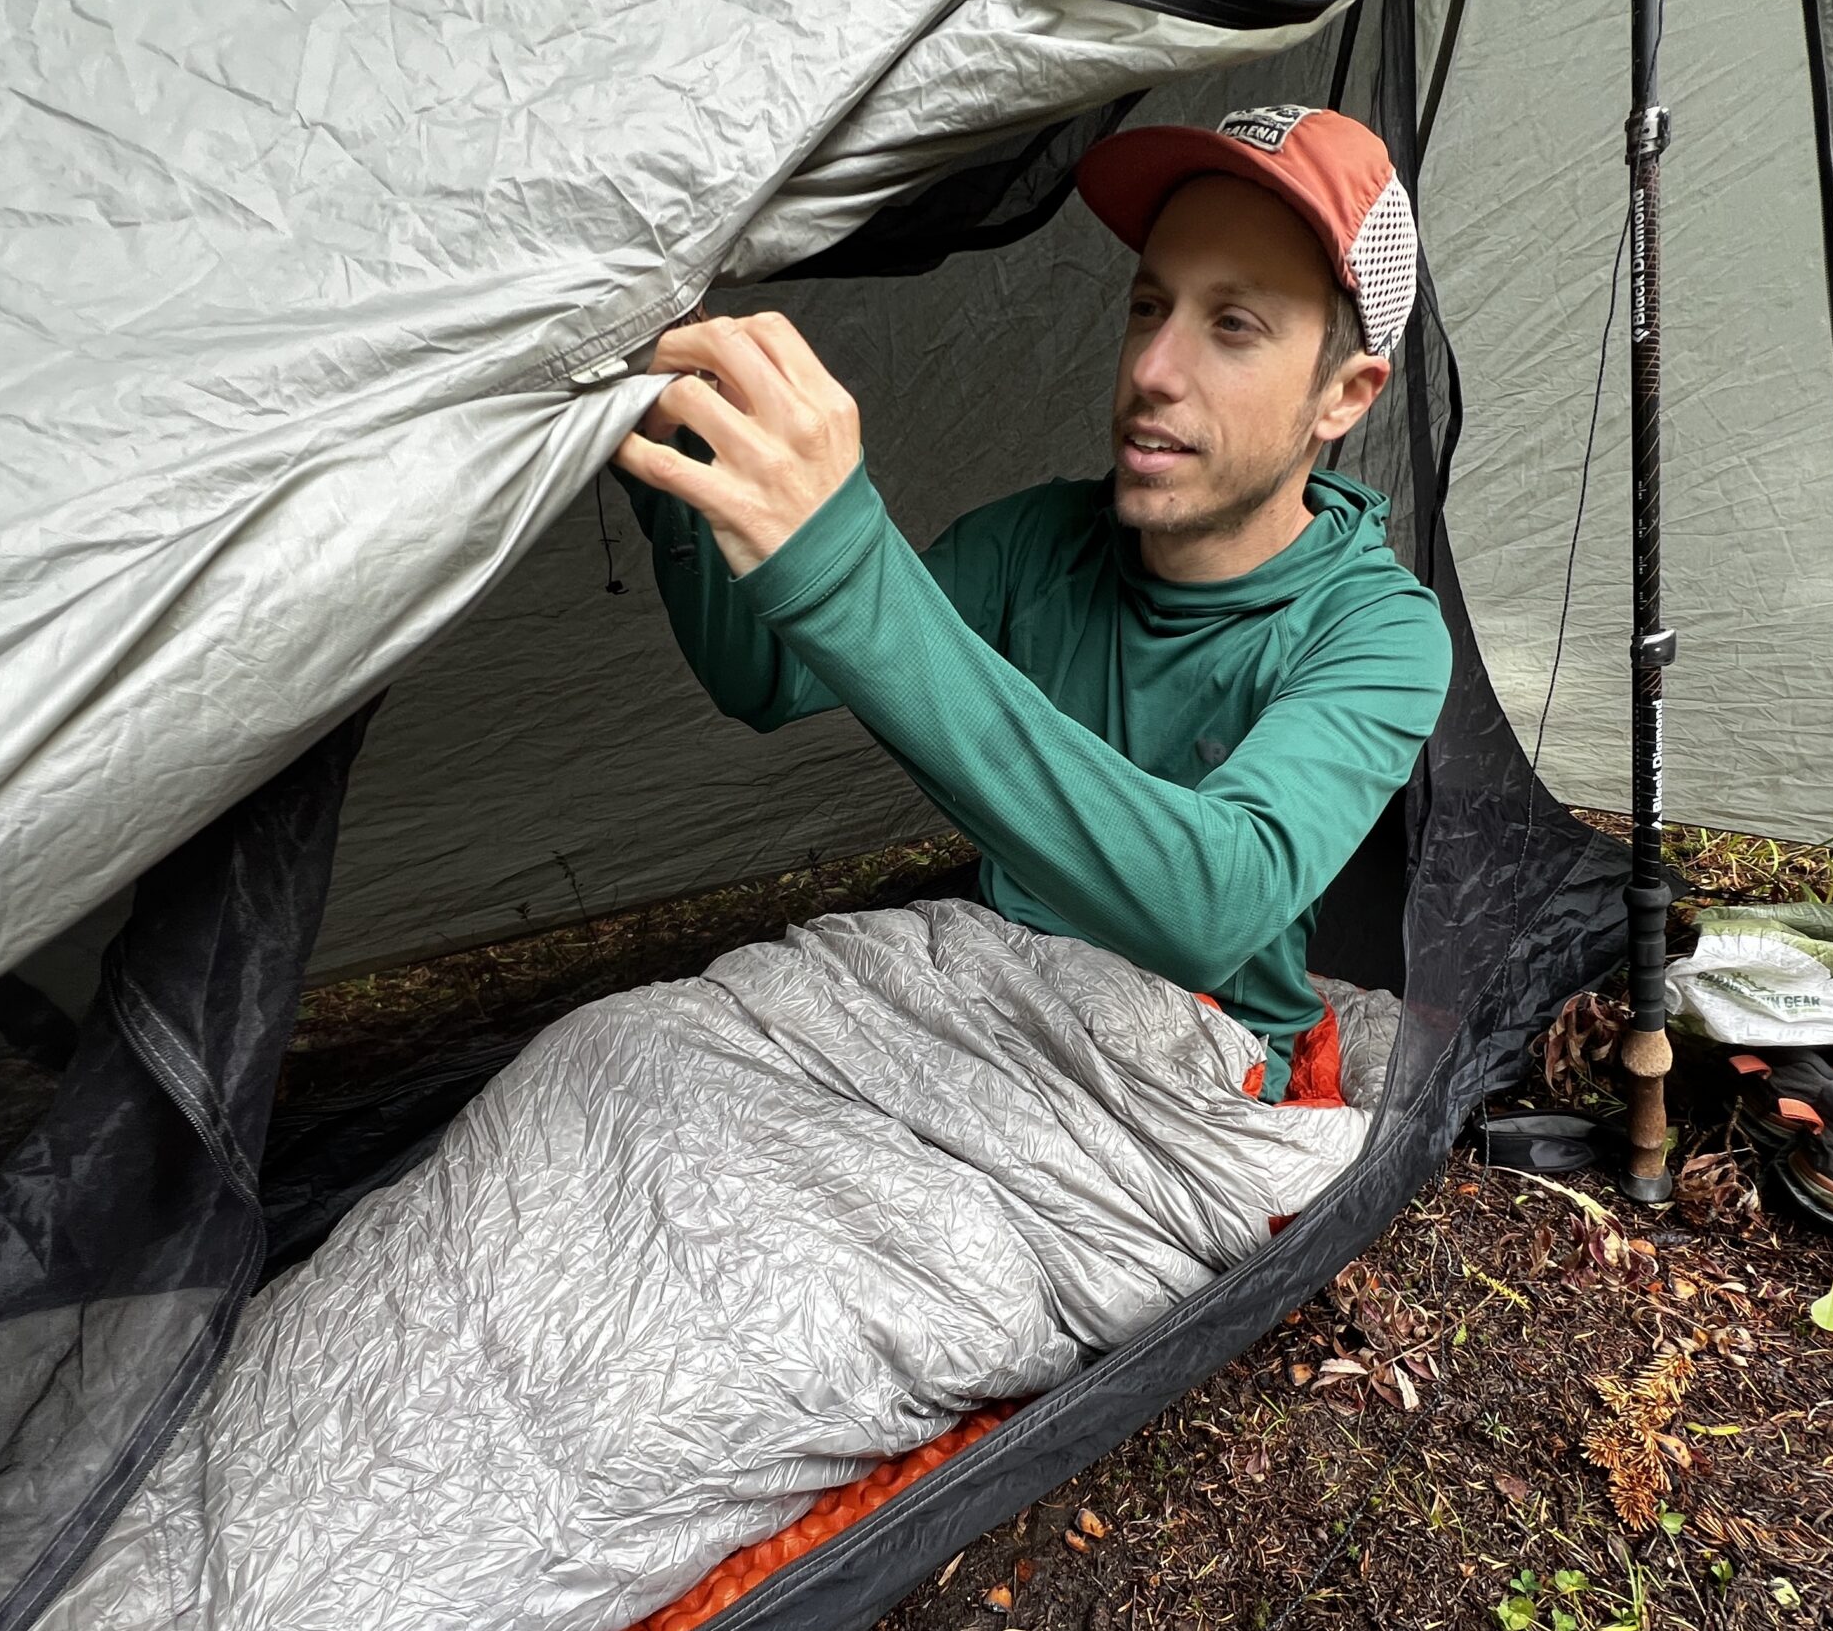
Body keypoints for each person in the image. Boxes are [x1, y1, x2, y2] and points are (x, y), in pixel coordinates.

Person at [613, 106, 1452, 1102]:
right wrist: (681, 467)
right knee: (620, 1066)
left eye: (1232, 326)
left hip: (1196, 1066)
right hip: (996, 999)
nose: (1151, 371)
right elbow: (765, 676)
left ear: (1345, 397)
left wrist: (848, 564)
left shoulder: (1380, 632)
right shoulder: (1035, 542)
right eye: (1149, 307)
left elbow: (1213, 905)